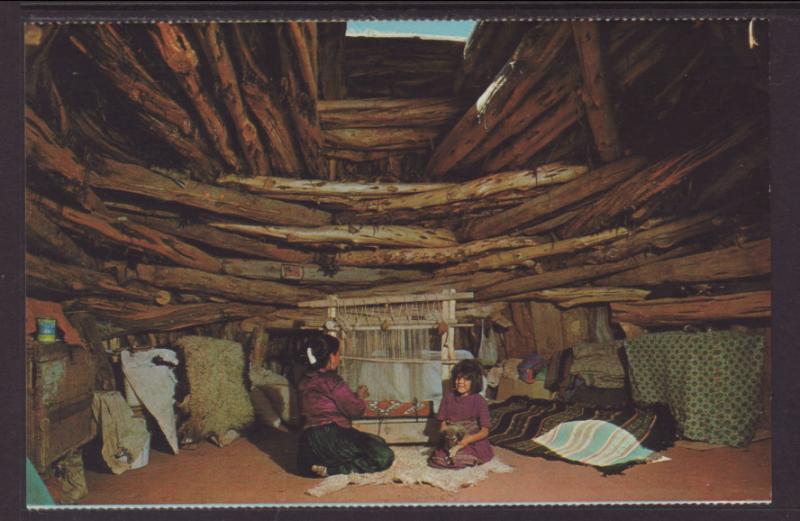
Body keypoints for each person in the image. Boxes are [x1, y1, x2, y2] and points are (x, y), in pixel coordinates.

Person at [296, 333, 395, 477]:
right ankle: (333, 470)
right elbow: (355, 410)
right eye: (338, 354)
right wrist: (360, 396)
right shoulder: (332, 381)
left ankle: (321, 466)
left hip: (308, 441)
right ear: (331, 357)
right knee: (383, 455)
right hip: (332, 436)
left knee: (376, 441)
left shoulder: (303, 380)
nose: (339, 358)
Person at [428, 358, 494, 469]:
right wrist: (448, 436)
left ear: (474, 381)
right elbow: (442, 425)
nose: (460, 382)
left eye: (466, 379)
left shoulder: (479, 401)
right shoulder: (448, 398)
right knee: (439, 459)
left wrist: (467, 440)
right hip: (452, 439)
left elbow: (484, 432)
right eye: (458, 378)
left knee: (460, 458)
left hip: (473, 440)